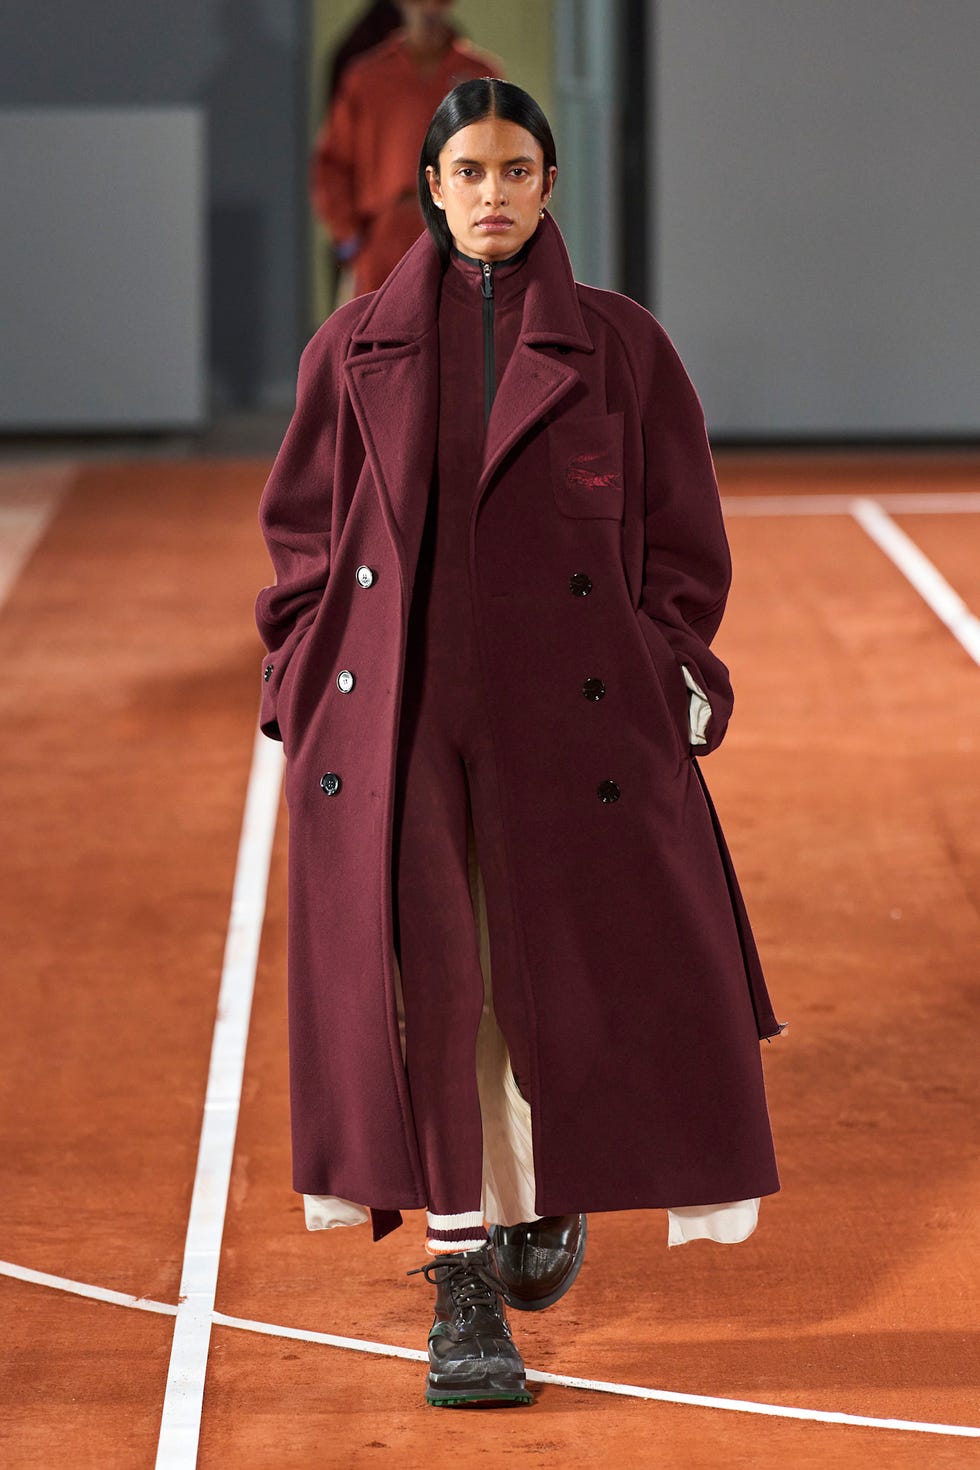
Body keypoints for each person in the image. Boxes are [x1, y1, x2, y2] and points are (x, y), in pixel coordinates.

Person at [256, 79, 784, 1409]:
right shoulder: (349, 351)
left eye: (517, 169)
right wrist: (301, 678)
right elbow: (304, 543)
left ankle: (550, 1188)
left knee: (573, 966)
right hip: (403, 712)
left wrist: (672, 663)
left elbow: (682, 541)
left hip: (576, 712)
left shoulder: (625, 348)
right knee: (432, 984)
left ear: (551, 186)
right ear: (431, 188)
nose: (492, 191)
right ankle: (463, 1289)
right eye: (470, 170)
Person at [310, 0, 502, 298]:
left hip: (460, 232)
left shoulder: (480, 75)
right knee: (382, 337)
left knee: (464, 335)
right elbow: (332, 164)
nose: (427, 9)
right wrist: (349, 239)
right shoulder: (367, 78)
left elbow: (503, 156)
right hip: (385, 236)